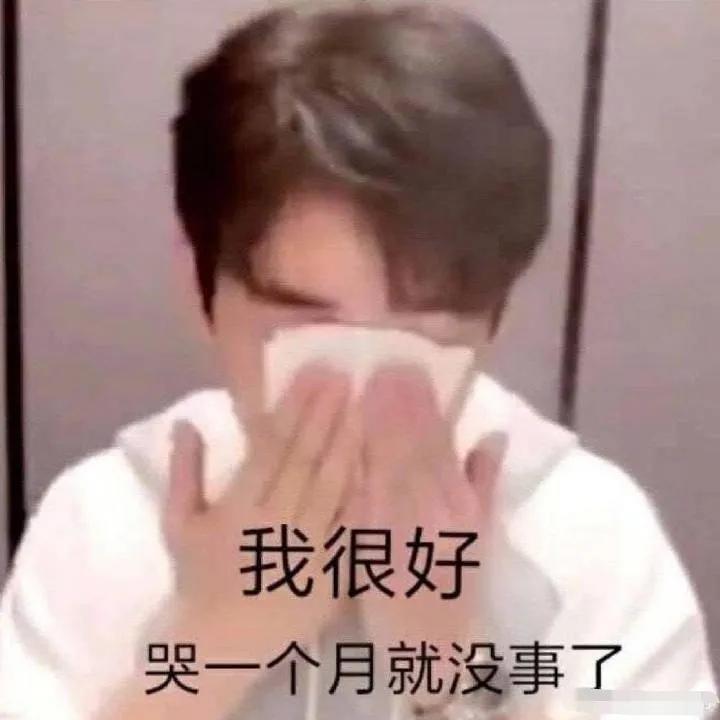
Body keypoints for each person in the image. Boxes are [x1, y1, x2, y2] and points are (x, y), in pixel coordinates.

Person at [0, 2, 716, 719]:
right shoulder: (102, 523)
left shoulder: (592, 532)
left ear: (495, 317)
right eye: (306, 324)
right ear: (199, 286)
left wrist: (446, 672)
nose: (360, 384)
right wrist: (216, 643)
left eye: (422, 328)